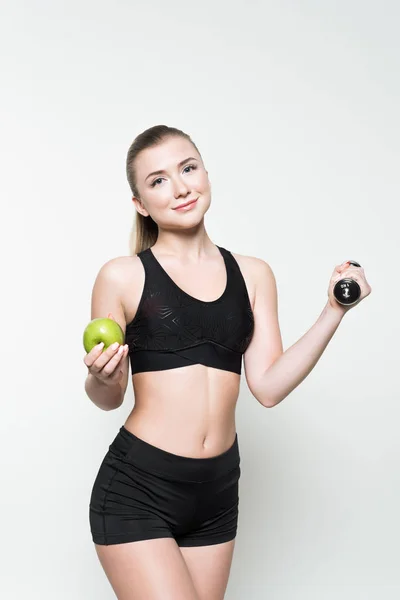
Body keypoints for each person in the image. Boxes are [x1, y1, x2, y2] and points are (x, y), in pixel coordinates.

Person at [84, 125, 372, 599]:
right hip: (139, 488)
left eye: (187, 168)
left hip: (217, 492)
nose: (179, 188)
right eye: (157, 181)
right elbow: (107, 397)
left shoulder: (254, 274)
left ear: (206, 174)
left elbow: (269, 386)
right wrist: (102, 377)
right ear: (140, 203)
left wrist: (333, 311)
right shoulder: (122, 276)